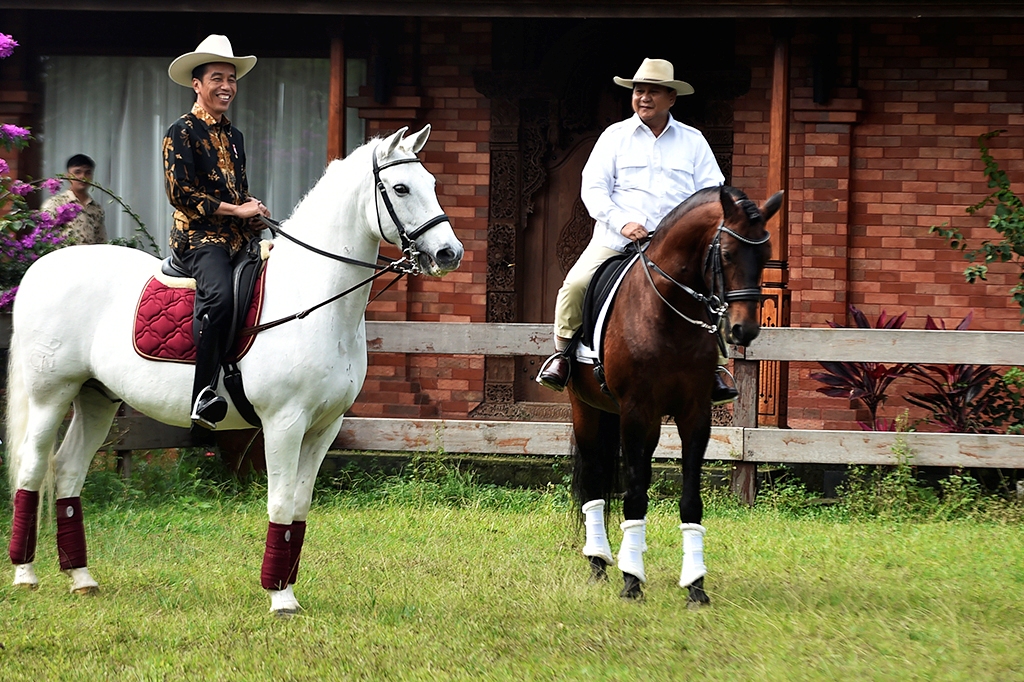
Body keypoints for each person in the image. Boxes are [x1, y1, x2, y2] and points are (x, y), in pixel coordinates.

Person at [536, 57, 738, 404]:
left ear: (671, 98)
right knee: (575, 285)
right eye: (638, 91)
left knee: (718, 290)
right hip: (618, 240)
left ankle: (717, 368)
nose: (643, 98)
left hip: (676, 249)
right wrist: (622, 222)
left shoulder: (693, 142)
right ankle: (562, 358)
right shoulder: (614, 138)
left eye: (652, 92)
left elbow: (712, 194)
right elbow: (593, 189)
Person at [164, 34, 271, 430]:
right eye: (217, 78)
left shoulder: (235, 137)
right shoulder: (182, 131)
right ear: (197, 84)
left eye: (231, 78)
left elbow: (236, 191)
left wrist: (253, 209)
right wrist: (235, 209)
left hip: (239, 238)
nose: (227, 86)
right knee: (222, 299)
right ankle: (202, 394)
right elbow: (181, 194)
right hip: (198, 238)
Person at [41, 153, 107, 244]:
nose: (83, 177)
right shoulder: (55, 204)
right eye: (77, 172)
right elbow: (44, 238)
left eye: (88, 173)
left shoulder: (97, 209)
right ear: (68, 175)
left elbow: (101, 241)